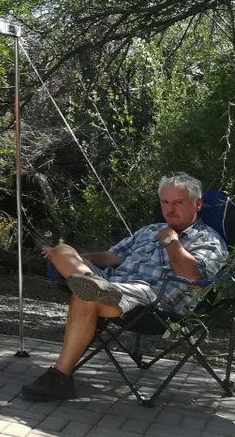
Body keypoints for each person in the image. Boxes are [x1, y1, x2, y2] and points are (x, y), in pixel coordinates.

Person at [20, 172, 227, 402]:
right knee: (63, 250)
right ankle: (91, 282)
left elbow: (193, 278)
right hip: (112, 285)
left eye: (178, 202)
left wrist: (171, 240)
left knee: (85, 296)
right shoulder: (149, 230)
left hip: (153, 301)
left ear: (197, 204)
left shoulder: (209, 240)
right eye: (165, 202)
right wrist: (75, 259)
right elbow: (112, 257)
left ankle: (60, 377)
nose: (170, 209)